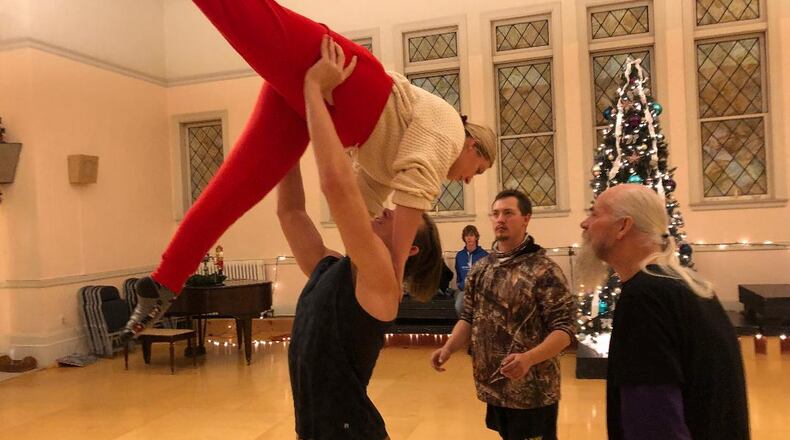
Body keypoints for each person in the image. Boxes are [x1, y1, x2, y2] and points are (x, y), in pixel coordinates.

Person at [121, 0, 496, 341]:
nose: (465, 179)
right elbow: (413, 191)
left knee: (239, 185)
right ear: (472, 145)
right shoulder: (449, 127)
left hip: (331, 108)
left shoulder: (385, 169)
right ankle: (168, 278)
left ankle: (164, 283)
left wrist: (378, 270)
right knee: (240, 10)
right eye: (475, 171)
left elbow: (352, 211)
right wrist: (393, 272)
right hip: (349, 76)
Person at [281, 36, 443, 439]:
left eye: (401, 218)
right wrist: (282, 139)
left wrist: (314, 94)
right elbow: (291, 213)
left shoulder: (380, 282)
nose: (389, 210)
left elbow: (338, 186)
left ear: (412, 246)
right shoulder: (333, 268)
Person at [577, 184, 749, 440]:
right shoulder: (688, 284)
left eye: (594, 213)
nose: (584, 223)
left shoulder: (646, 296)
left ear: (623, 226)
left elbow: (653, 418)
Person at [431, 190, 576, 440]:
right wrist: (448, 348)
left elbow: (564, 331)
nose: (500, 219)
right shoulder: (481, 269)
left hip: (533, 391)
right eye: (496, 213)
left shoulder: (544, 270)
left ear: (526, 218)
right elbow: (468, 317)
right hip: (495, 385)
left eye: (508, 213)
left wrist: (529, 359)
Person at [453, 224, 489, 314]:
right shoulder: (460, 256)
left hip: (480, 291)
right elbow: (458, 273)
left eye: (471, 235)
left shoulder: (484, 255)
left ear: (476, 237)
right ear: (464, 238)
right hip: (464, 290)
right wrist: (460, 284)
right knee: (459, 305)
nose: (469, 238)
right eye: (466, 235)